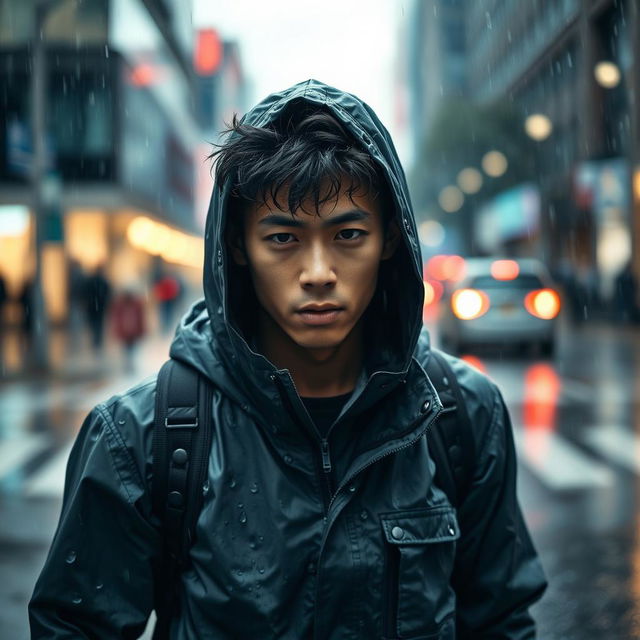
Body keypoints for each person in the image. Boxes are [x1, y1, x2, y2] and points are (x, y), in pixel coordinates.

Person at [29, 80, 546, 639]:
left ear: (391, 239)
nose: (318, 272)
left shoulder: (460, 415)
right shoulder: (140, 436)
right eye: (283, 238)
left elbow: (500, 620)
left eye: (348, 234)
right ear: (237, 245)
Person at [111, 285, 147, 372]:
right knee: (127, 347)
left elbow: (141, 318)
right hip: (126, 330)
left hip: (133, 331)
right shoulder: (120, 305)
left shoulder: (136, 304)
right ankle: (128, 363)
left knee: (131, 347)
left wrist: (142, 329)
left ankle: (130, 363)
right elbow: (117, 318)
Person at [83, 265, 111, 351]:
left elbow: (85, 292)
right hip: (99, 305)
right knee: (98, 323)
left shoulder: (91, 281)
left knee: (95, 323)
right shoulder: (103, 281)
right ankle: (97, 338)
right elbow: (108, 293)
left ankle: (96, 338)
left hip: (93, 305)